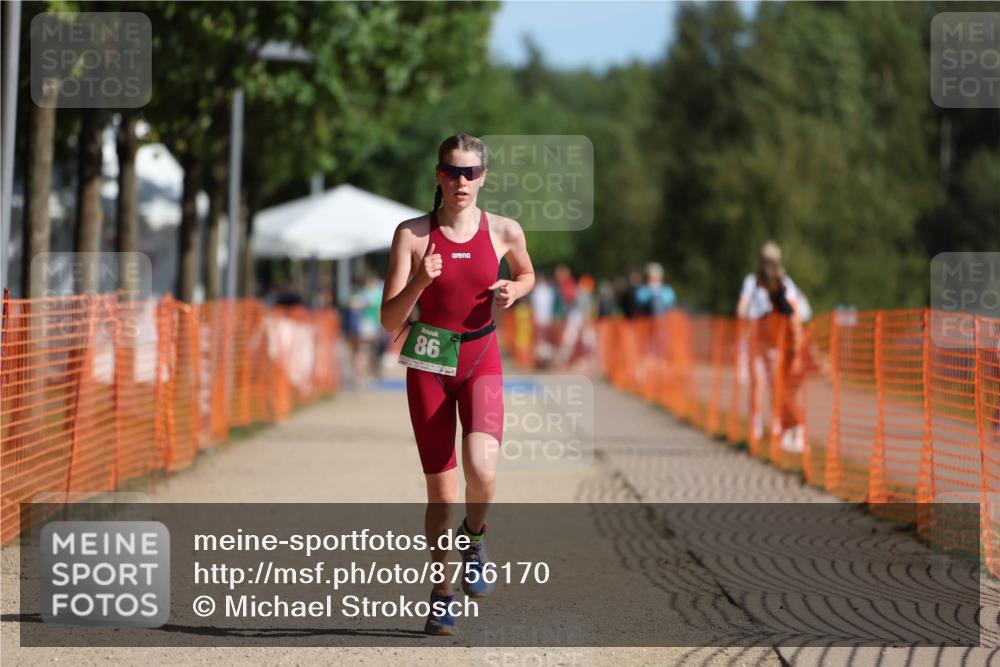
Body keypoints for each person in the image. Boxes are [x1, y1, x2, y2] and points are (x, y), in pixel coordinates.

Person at [380, 133, 535, 636]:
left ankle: (475, 537)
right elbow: (388, 321)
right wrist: (420, 282)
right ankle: (443, 594)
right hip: (429, 362)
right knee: (442, 494)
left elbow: (529, 273)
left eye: (470, 172)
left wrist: (516, 287)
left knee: (482, 470)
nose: (461, 181)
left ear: (484, 177)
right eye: (452, 171)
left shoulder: (505, 231)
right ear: (438, 174)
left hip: (481, 357)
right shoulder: (411, 234)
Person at [736, 241, 805, 453]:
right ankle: (762, 428)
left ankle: (789, 429)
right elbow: (743, 308)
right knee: (760, 383)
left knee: (781, 390)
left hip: (783, 346)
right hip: (762, 342)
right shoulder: (754, 283)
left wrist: (796, 350)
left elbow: (794, 319)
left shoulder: (783, 291)